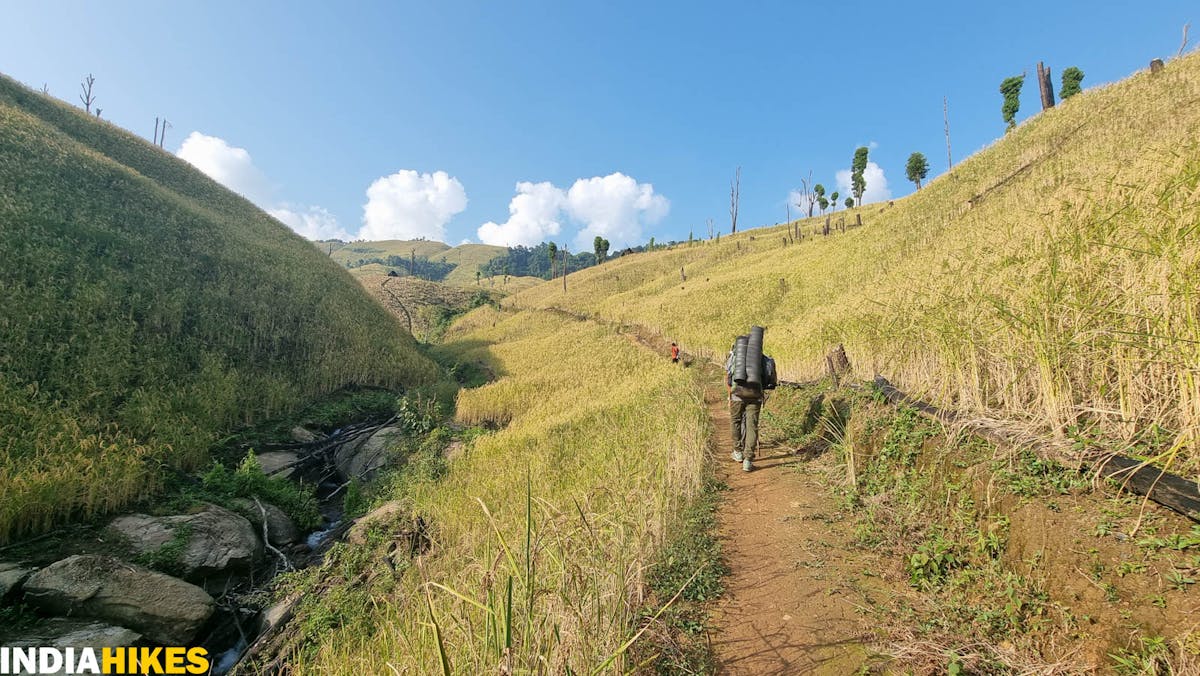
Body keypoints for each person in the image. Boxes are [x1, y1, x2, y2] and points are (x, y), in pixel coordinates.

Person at [725, 338, 765, 472]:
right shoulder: (760, 356)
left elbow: (729, 376)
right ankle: (748, 460)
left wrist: (729, 395)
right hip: (755, 395)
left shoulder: (735, 356)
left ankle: (737, 452)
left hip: (737, 395)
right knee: (752, 425)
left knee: (735, 421)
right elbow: (768, 374)